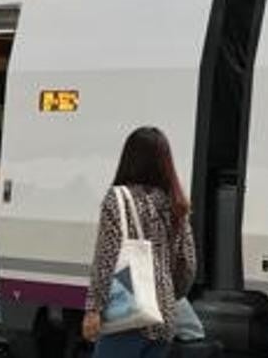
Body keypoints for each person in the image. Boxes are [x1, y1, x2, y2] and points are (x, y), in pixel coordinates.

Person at [83, 127, 197, 357]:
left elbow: (107, 259)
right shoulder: (175, 203)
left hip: (128, 313)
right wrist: (168, 294)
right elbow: (188, 263)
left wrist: (94, 309)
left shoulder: (117, 199)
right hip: (164, 318)